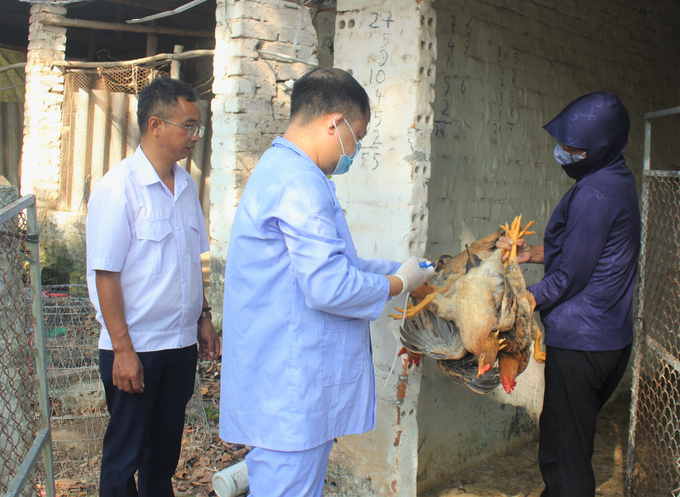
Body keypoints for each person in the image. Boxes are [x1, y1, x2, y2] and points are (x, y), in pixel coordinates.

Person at [218, 67, 435, 496]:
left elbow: (334, 265)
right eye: (358, 136)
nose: (355, 150)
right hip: (291, 389)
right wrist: (396, 283)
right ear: (334, 123)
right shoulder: (299, 182)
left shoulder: (283, 169)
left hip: (282, 383)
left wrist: (400, 271)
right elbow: (329, 286)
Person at [498, 91, 640, 496]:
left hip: (582, 345)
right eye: (562, 143)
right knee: (567, 444)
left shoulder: (594, 194)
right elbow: (592, 253)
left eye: (572, 147)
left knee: (564, 457)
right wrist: (534, 253)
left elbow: (570, 278)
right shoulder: (616, 179)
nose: (563, 152)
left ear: (599, 147)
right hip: (607, 340)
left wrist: (518, 304)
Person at [86, 77, 221, 497]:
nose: (195, 137)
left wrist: (203, 317)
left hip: (178, 346)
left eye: (198, 127)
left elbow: (192, 262)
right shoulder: (118, 188)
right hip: (136, 349)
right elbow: (105, 274)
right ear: (155, 125)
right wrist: (123, 351)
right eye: (189, 126)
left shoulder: (184, 187)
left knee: (162, 458)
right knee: (124, 458)